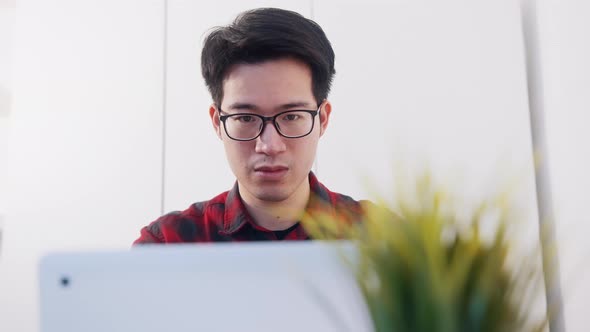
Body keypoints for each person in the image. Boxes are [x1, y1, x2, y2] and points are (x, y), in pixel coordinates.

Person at [134, 7, 366, 244]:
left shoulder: (384, 239)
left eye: (291, 116)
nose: (269, 146)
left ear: (322, 119)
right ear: (217, 122)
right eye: (246, 118)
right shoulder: (167, 245)